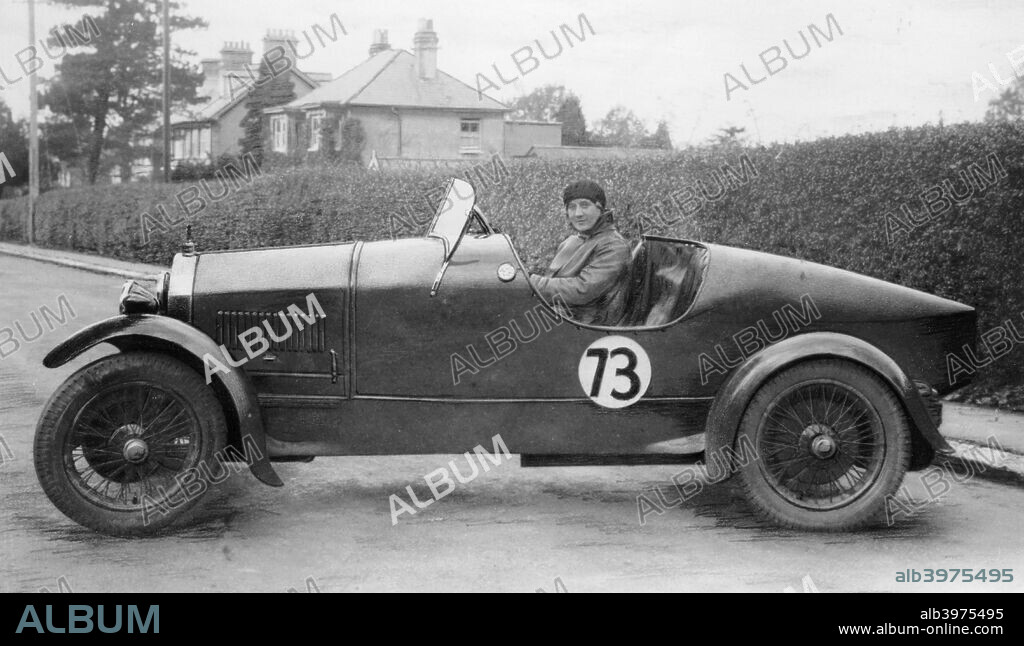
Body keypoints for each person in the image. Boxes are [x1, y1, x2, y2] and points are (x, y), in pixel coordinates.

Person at [529, 180, 631, 325]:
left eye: (585, 205)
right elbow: (552, 278)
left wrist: (531, 282)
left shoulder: (614, 246)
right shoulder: (572, 241)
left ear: (600, 208)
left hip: (583, 326)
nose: (578, 214)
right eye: (572, 207)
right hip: (558, 315)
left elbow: (582, 290)